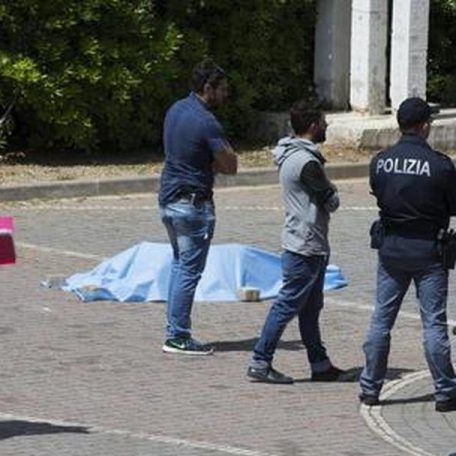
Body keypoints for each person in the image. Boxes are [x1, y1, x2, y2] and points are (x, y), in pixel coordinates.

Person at [360, 97, 456, 410]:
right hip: (429, 253)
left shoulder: (381, 161)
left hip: (391, 252)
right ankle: (445, 392)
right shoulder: (440, 165)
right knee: (433, 325)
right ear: (424, 126)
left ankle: (370, 388)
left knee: (381, 321)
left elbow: (378, 193)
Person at [247, 100, 345, 384]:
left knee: (310, 308)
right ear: (314, 126)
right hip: (306, 245)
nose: (326, 126)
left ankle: (320, 364)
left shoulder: (290, 154)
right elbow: (332, 201)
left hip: (301, 241)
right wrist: (333, 191)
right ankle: (260, 361)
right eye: (324, 122)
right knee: (288, 305)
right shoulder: (307, 162)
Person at [158, 58, 238, 355]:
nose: (225, 94)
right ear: (208, 88)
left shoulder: (176, 109)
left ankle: (174, 330)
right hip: (192, 205)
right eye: (222, 88)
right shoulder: (207, 122)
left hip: (168, 199)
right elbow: (230, 165)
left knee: (180, 267)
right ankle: (177, 335)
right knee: (188, 270)